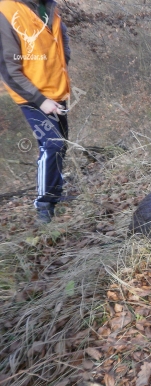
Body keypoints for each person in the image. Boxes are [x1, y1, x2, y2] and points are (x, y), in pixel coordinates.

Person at [0, 0, 71, 224]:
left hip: (58, 92)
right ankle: (44, 207)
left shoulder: (49, 7)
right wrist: (41, 100)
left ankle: (54, 196)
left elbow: (61, 44)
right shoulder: (6, 11)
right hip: (33, 96)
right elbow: (10, 71)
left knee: (60, 147)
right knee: (53, 144)